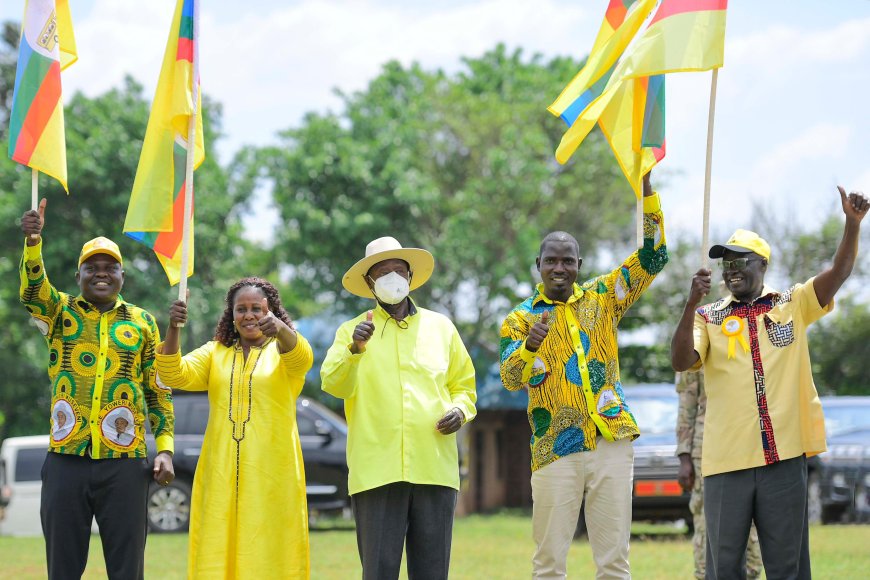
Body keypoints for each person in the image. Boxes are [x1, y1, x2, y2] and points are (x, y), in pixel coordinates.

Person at [670, 186, 869, 579]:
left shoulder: (791, 304)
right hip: (726, 462)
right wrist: (691, 302)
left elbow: (838, 274)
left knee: (788, 566)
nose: (731, 269)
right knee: (724, 566)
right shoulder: (707, 316)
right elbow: (681, 359)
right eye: (726, 263)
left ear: (762, 264)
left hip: (784, 458)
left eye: (740, 261)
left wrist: (851, 225)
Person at [500, 172, 668, 579]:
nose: (560, 268)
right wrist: (530, 347)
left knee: (614, 562)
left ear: (579, 265)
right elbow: (509, 377)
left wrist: (646, 189)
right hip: (555, 447)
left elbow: (654, 256)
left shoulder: (603, 297)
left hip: (611, 440)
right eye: (552, 261)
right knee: (549, 564)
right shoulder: (519, 319)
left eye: (568, 260)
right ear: (538, 265)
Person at [19, 199, 175, 580]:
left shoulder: (142, 323)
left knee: (126, 569)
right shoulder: (60, 313)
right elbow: (32, 292)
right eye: (92, 267)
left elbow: (157, 391)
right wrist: (34, 242)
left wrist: (166, 449)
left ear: (123, 276)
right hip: (65, 461)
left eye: (110, 268)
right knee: (63, 567)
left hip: (124, 465)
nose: (101, 273)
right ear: (79, 276)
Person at [321, 236, 477, 580]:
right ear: (369, 282)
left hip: (434, 468)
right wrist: (355, 348)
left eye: (398, 270)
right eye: (382, 271)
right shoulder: (350, 331)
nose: (392, 277)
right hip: (376, 471)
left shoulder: (442, 328)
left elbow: (463, 387)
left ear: (410, 275)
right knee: (378, 572)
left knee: (432, 573)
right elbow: (333, 384)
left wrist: (461, 411)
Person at [156, 277, 314, 579]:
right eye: (241, 309)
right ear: (231, 314)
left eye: (257, 308)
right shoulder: (216, 353)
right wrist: (173, 328)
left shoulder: (283, 351)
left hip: (272, 473)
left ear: (272, 312)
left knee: (271, 547)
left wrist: (281, 330)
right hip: (221, 472)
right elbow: (173, 374)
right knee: (217, 547)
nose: (249, 315)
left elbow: (302, 360)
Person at [676, 370, 762, 580]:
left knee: (751, 536)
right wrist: (684, 455)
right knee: (709, 528)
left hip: (750, 444)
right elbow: (687, 400)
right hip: (707, 449)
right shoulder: (697, 339)